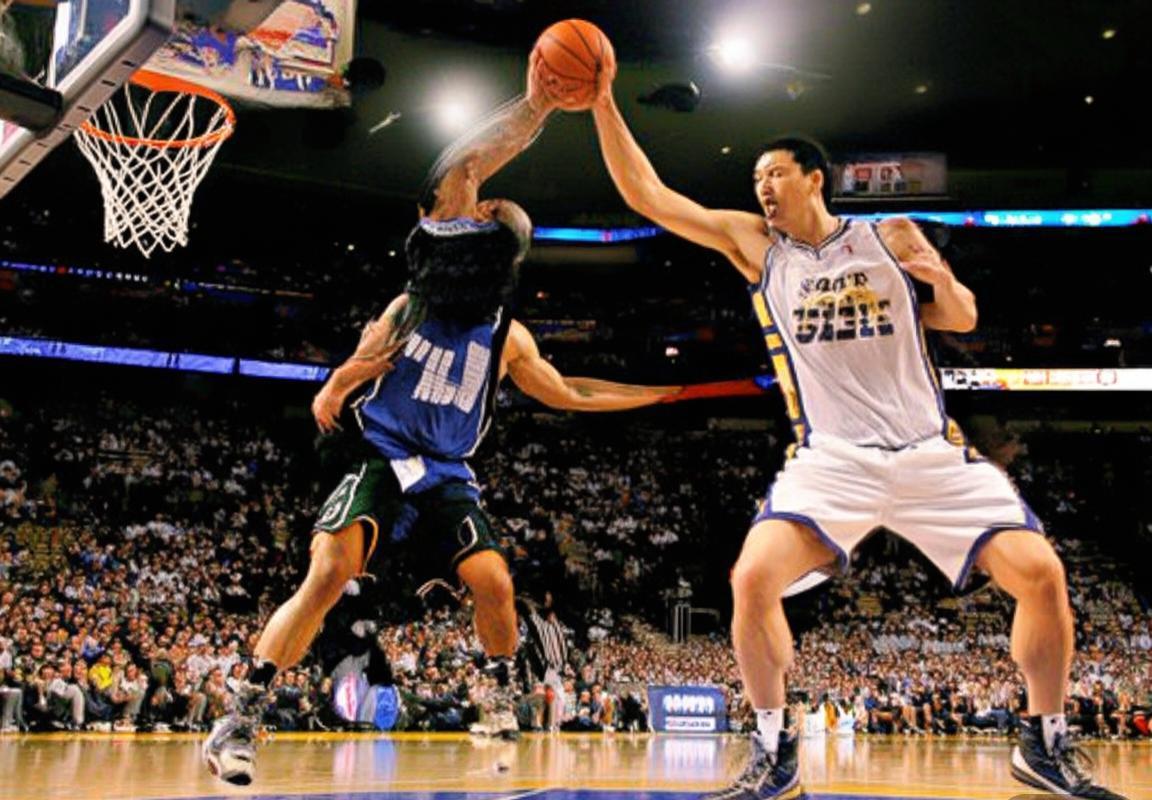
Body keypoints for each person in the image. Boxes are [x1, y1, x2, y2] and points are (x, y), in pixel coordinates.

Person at [581, 60, 1127, 800]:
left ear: (814, 179)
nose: (762, 186)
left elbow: (961, 316)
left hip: (929, 453)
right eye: (754, 178)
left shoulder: (888, 235)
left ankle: (1045, 745)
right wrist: (603, 102)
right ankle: (773, 750)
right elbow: (648, 196)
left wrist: (940, 278)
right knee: (751, 579)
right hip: (832, 459)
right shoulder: (758, 247)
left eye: (775, 173)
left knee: (1043, 575)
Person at [202, 64, 680, 785]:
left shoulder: (508, 334)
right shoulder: (423, 286)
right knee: (328, 572)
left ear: (498, 238)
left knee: (494, 582)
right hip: (379, 449)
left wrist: (657, 395)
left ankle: (499, 689)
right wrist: (538, 103)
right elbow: (374, 337)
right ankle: (241, 715)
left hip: (445, 471)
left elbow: (570, 391)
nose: (482, 201)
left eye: (494, 208)